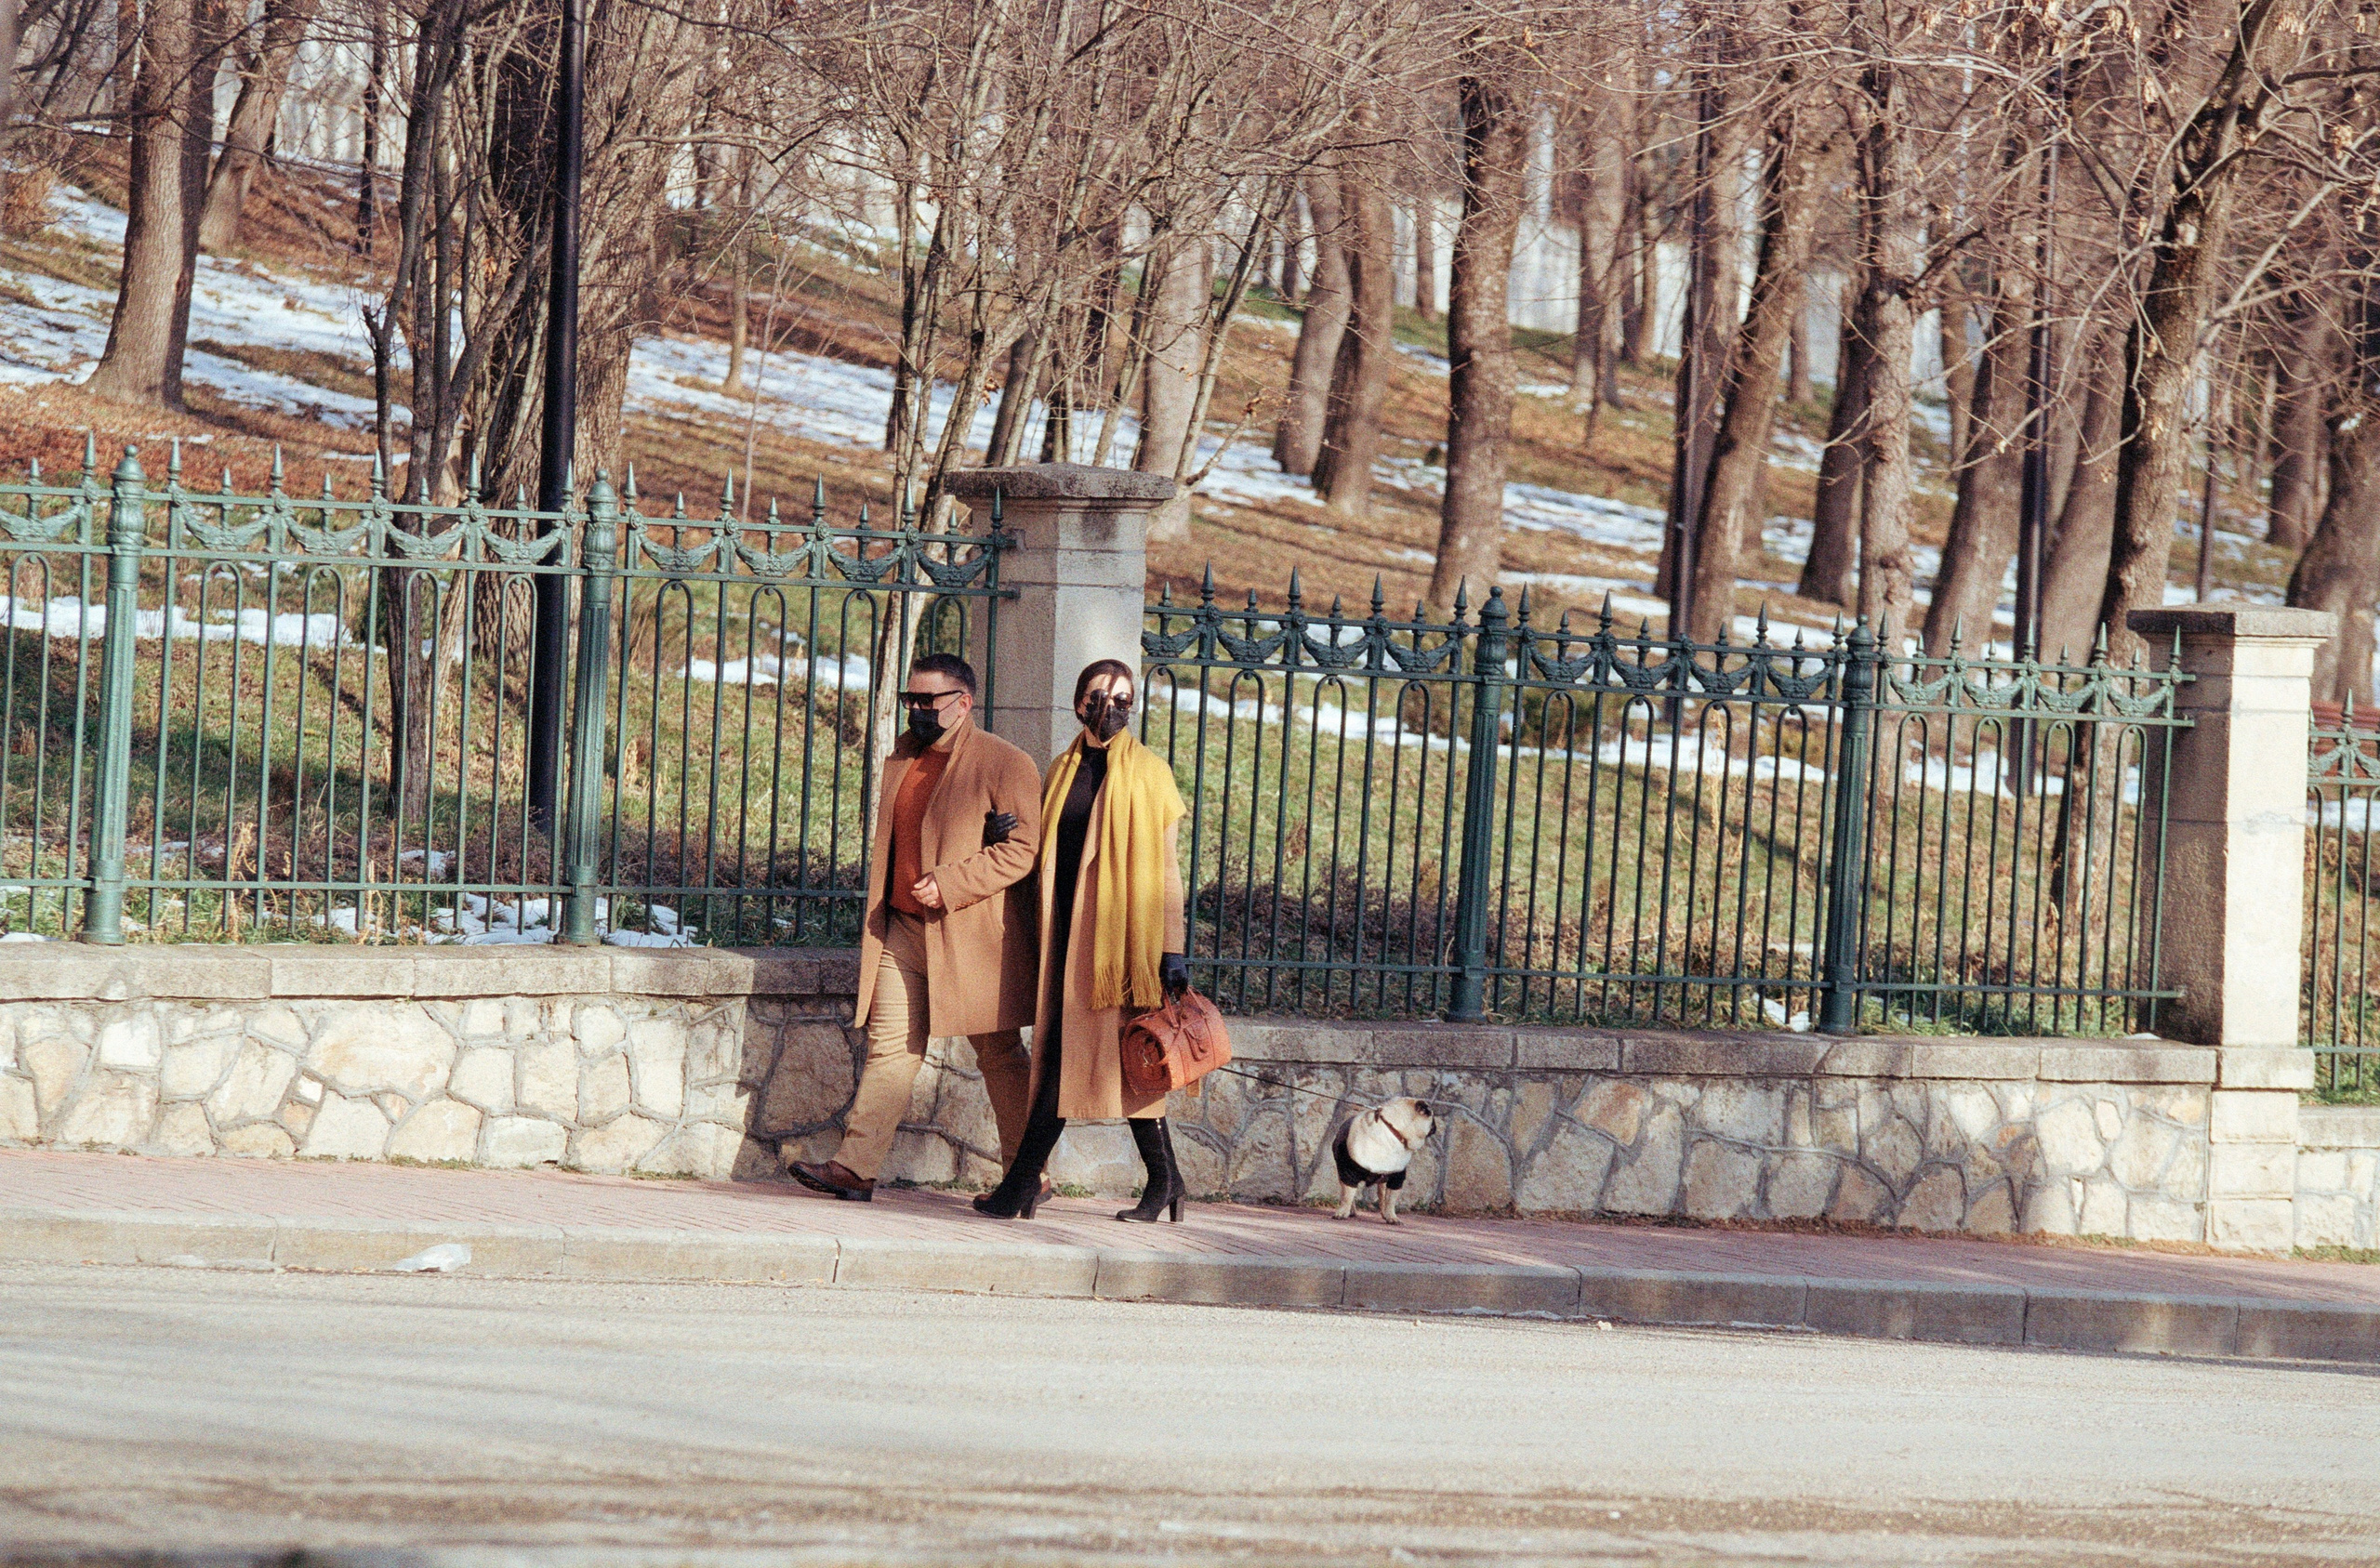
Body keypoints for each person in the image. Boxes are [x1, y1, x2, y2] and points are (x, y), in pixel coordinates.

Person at [789, 653, 1043, 1202]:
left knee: (998, 1053)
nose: (917, 711)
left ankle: (1028, 1173)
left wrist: (952, 883)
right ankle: (855, 1168)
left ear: (963, 702)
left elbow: (1022, 850)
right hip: (901, 929)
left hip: (969, 937)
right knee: (891, 1046)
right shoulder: (904, 757)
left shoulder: (1005, 762)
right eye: (911, 700)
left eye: (928, 701)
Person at [973, 658, 1192, 1223]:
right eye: (1100, 697)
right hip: (1066, 941)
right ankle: (1166, 1180)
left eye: (1123, 699)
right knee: (1100, 1062)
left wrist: (1171, 948)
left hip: (1121, 949)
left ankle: (1021, 1185)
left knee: (1107, 1061)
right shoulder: (1061, 770)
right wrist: (1001, 833)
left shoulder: (1150, 773)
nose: (1112, 708)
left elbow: (1167, 871)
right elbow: (1043, 845)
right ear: (1078, 705)